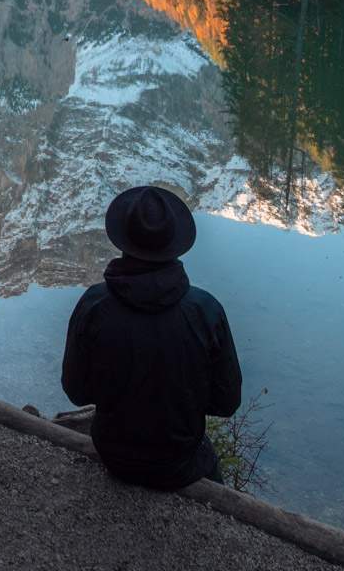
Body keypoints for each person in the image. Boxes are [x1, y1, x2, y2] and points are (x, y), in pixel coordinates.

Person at [61, 183, 242, 489]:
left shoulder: (94, 305)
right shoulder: (206, 311)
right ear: (174, 244)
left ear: (122, 240)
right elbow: (226, 402)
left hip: (113, 454)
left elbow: (76, 391)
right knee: (216, 481)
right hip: (180, 460)